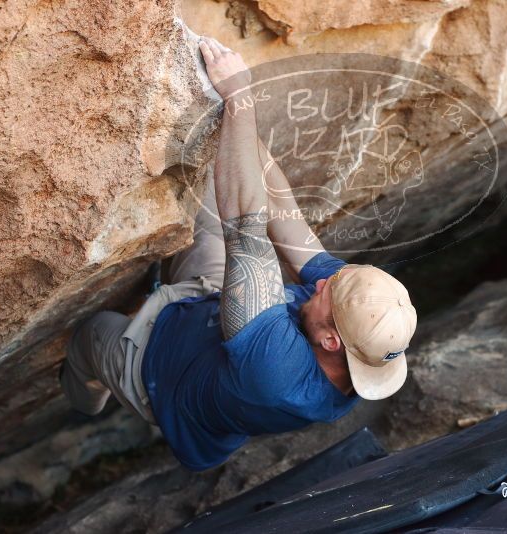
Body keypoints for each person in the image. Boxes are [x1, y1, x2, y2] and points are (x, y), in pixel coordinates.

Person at [59, 37, 418, 471]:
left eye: (326, 292)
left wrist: (240, 98)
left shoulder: (275, 372)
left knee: (90, 334)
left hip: (159, 374)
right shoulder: (362, 327)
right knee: (212, 192)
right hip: (216, 314)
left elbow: (247, 221)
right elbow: (281, 208)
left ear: (330, 341)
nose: (321, 281)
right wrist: (225, 107)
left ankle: (88, 398)